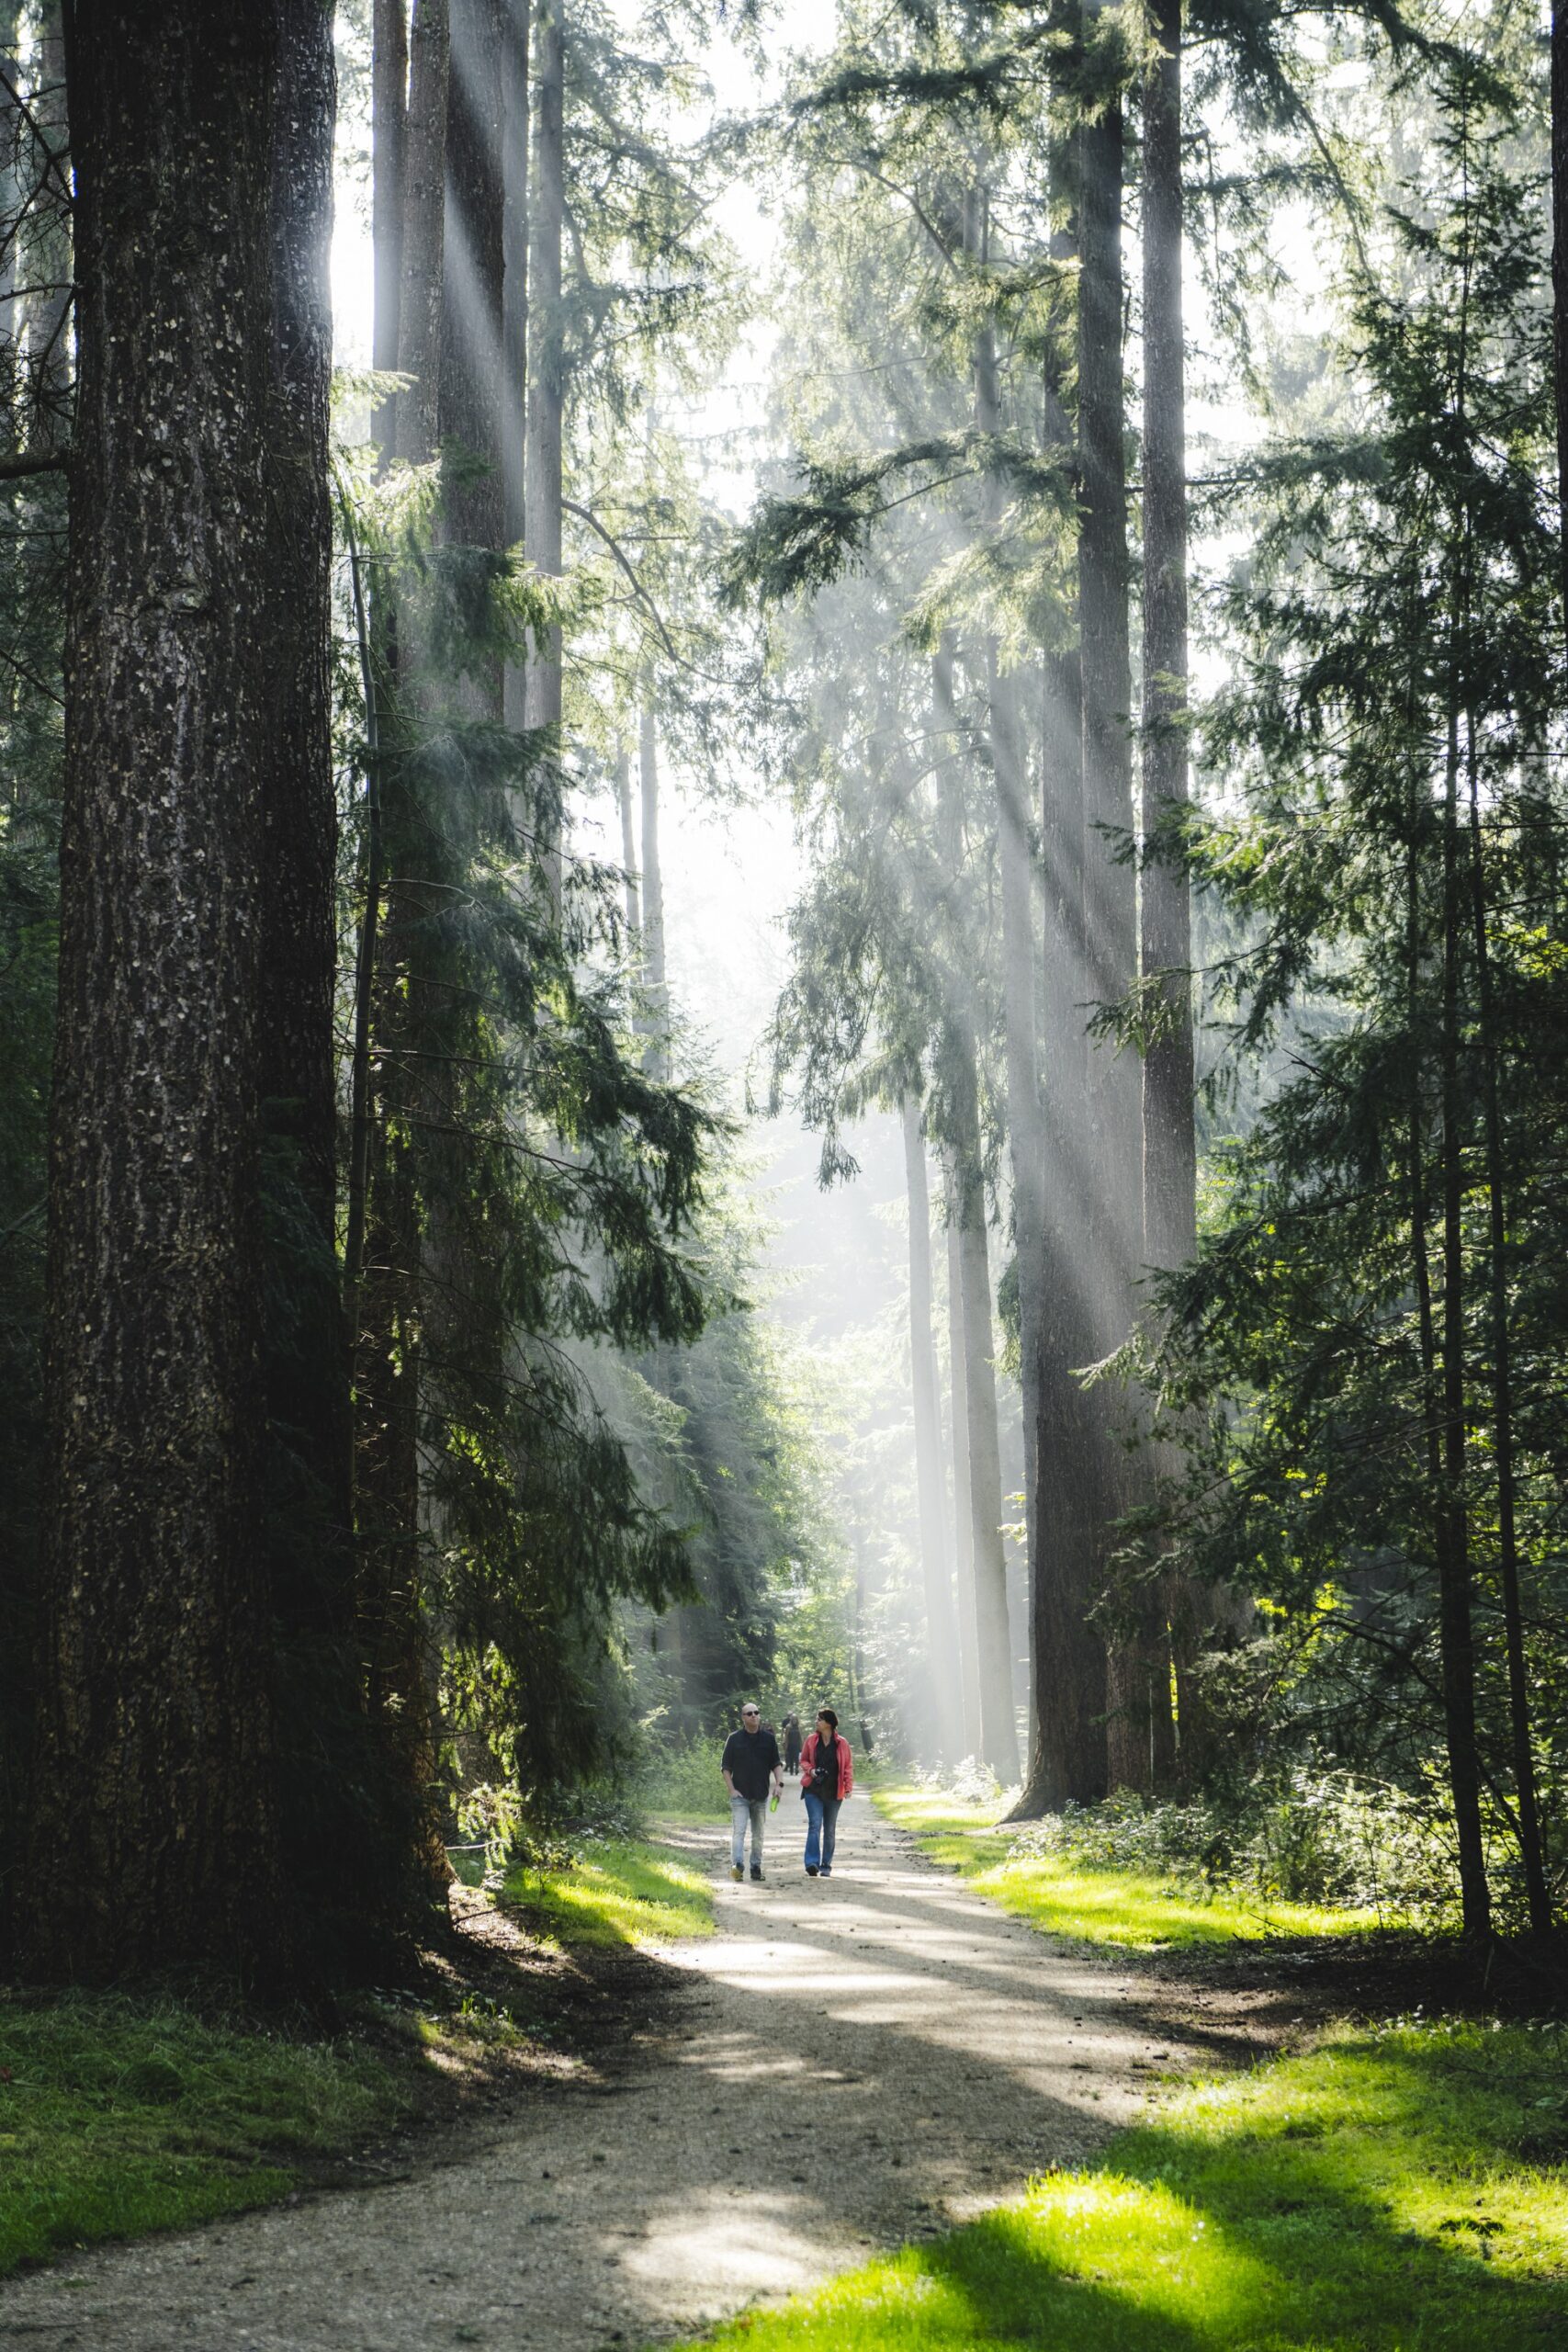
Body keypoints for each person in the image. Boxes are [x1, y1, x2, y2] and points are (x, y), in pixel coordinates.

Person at [721, 1702, 782, 1882]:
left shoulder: (769, 1739)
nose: (753, 1715)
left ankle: (756, 1867)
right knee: (739, 1831)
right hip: (740, 1796)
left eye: (756, 1712)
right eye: (749, 1713)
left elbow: (776, 1765)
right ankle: (737, 1866)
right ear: (743, 1718)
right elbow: (725, 1768)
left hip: (761, 1795)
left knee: (758, 1834)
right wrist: (731, 1790)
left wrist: (779, 1784)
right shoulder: (734, 1739)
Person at [797, 1706, 852, 1878]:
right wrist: (811, 1771)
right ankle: (812, 1863)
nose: (816, 1722)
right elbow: (804, 1760)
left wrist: (848, 1786)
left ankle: (826, 1865)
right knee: (815, 1825)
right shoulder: (811, 1740)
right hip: (813, 1790)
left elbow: (848, 1767)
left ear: (829, 1723)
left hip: (834, 1793)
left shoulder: (841, 1743)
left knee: (829, 1830)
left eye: (819, 1719)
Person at [782, 1712, 803, 1776]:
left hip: (797, 1744)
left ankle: (796, 1768)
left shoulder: (799, 1727)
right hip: (790, 1745)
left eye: (795, 1719)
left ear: (797, 1720)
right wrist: (785, 1745)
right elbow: (786, 1736)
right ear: (791, 1720)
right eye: (793, 1719)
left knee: (796, 1757)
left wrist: (802, 1745)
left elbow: (801, 1736)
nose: (794, 1720)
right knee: (791, 1758)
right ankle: (791, 1770)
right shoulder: (788, 1727)